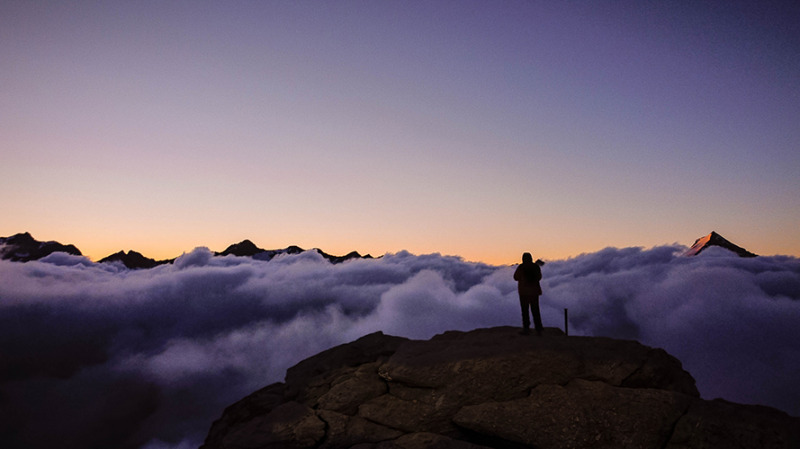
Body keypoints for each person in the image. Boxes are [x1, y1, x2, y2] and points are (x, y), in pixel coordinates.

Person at [513, 252, 543, 335]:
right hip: (534, 292)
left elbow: (515, 277)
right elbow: (539, 277)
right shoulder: (536, 267)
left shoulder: (521, 267)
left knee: (525, 311)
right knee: (535, 310)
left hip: (524, 293)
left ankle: (526, 329)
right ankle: (538, 328)